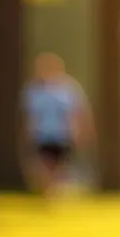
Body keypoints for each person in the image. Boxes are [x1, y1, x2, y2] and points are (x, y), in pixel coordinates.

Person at [21, 53, 94, 195]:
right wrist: (28, 131)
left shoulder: (68, 89)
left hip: (62, 134)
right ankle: (47, 192)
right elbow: (29, 115)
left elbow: (77, 112)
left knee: (58, 167)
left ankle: (53, 193)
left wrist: (81, 131)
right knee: (44, 165)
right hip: (42, 134)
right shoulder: (33, 90)